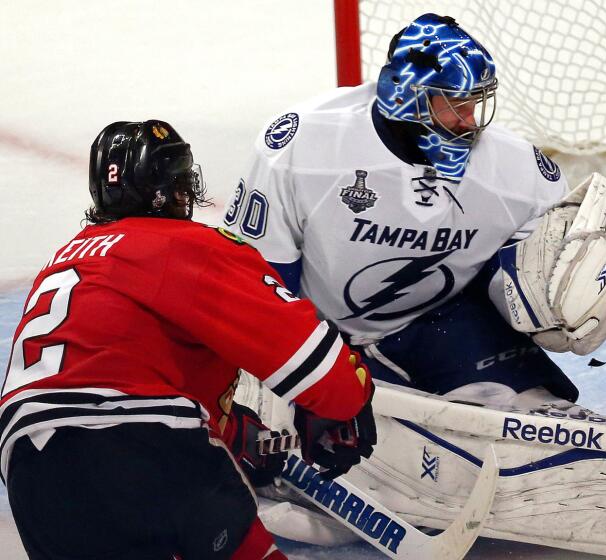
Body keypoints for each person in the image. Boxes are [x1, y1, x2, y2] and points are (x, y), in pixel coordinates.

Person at [0, 120, 377, 560]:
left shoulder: (64, 261)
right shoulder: (179, 244)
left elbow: (111, 381)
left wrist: (236, 433)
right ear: (164, 189)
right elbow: (320, 368)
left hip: (30, 476)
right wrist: (343, 407)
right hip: (143, 447)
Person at [224, 13, 606, 407]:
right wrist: (293, 380)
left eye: (475, 102)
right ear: (407, 97)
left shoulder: (520, 172)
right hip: (321, 338)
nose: (469, 119)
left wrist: (583, 264)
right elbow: (260, 283)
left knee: (526, 410)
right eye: (455, 103)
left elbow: (532, 270)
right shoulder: (304, 146)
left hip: (441, 322)